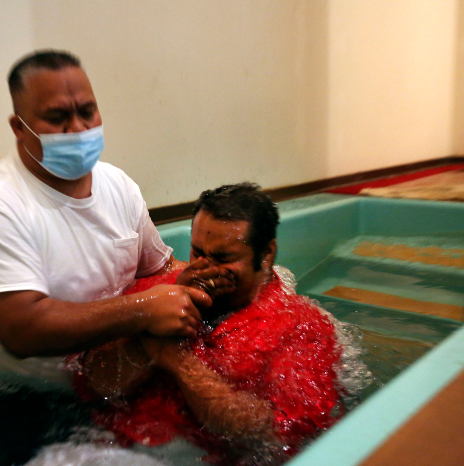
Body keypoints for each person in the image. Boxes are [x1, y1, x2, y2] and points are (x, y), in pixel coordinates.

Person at [0, 50, 211, 392]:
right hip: (19, 395)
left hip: (106, 380)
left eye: (87, 112)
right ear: (19, 128)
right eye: (57, 117)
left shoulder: (118, 186)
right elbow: (22, 331)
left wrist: (224, 279)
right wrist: (143, 310)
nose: (77, 128)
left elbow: (159, 269)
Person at [73, 183, 345, 464]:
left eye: (223, 258)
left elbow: (276, 434)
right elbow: (93, 384)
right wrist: (144, 342)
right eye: (197, 252)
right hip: (107, 444)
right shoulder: (157, 295)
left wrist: (176, 359)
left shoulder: (302, 329)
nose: (205, 268)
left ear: (265, 254)